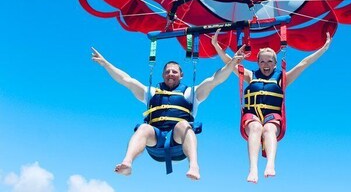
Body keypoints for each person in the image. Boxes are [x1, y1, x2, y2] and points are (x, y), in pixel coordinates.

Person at [91, 46, 244, 180]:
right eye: (167, 71)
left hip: (178, 145)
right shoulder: (150, 92)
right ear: (163, 75)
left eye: (174, 72)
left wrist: (232, 64)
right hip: (155, 144)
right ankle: (127, 163)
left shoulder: (191, 93)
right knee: (143, 128)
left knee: (183, 124)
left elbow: (215, 80)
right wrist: (105, 64)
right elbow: (126, 80)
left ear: (181, 75)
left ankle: (194, 166)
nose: (171, 74)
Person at [211, 30, 331, 183]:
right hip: (252, 116)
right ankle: (253, 169)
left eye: (269, 62)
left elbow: (304, 64)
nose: (265, 65)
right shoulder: (250, 75)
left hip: (272, 118)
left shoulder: (282, 78)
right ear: (257, 63)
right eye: (262, 61)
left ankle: (270, 164)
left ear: (275, 63)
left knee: (268, 129)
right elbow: (230, 63)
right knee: (256, 128)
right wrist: (216, 45)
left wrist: (324, 48)